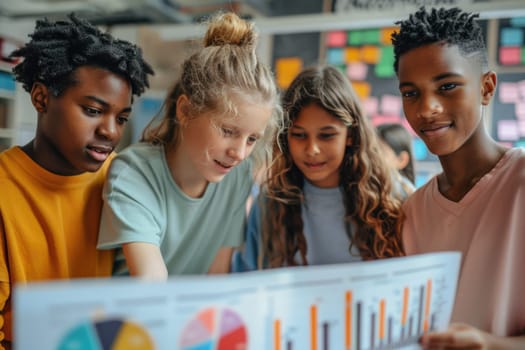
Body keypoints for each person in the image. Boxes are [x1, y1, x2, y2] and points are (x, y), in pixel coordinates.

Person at [0, 13, 153, 349]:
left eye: (121, 117)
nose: (110, 131)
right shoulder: (5, 190)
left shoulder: (126, 181)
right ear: (41, 98)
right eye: (93, 110)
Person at [97, 12, 282, 280]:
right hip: (127, 319)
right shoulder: (133, 172)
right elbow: (151, 283)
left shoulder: (237, 175)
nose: (239, 153)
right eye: (228, 131)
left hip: (190, 316)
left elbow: (217, 275)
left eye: (252, 139)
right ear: (185, 110)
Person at [392, 6, 525, 349]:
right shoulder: (413, 212)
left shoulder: (519, 182)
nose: (426, 108)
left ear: (486, 87)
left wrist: (489, 344)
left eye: (447, 86)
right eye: (411, 93)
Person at [231, 65, 405, 272]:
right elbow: (248, 276)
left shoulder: (391, 195)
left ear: (350, 135)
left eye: (327, 135)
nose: (312, 149)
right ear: (286, 137)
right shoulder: (271, 203)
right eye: (299, 135)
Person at [376, 123, 416, 196]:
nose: (372, 158)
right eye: (369, 151)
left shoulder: (408, 194)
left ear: (401, 160)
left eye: (380, 152)